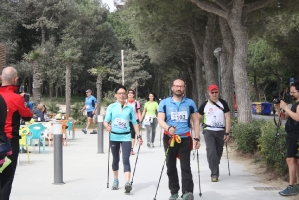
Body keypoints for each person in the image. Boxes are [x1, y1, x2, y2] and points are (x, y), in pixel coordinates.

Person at [157, 79, 200, 200]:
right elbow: (160, 120)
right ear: (172, 88)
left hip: (185, 138)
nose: (178, 88)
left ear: (184, 88)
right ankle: (174, 191)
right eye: (176, 86)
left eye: (181, 86)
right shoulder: (164, 103)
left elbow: (196, 120)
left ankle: (187, 192)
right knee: (171, 166)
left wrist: (197, 137)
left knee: (185, 166)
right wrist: (168, 128)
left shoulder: (190, 103)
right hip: (169, 138)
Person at [0, 66, 33, 199]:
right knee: (6, 179)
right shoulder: (16, 99)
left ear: (1, 78)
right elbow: (28, 116)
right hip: (8, 144)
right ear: (15, 79)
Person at [103, 85, 143, 193]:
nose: (122, 95)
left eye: (123, 93)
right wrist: (107, 126)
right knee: (116, 159)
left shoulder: (130, 108)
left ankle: (127, 183)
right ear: (115, 95)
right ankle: (115, 180)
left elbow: (134, 123)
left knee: (126, 159)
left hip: (126, 136)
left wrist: (139, 136)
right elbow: (105, 121)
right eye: (119, 93)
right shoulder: (111, 107)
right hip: (114, 136)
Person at [198, 84, 230, 182]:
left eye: (216, 92)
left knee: (218, 153)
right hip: (209, 131)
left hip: (220, 131)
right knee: (211, 151)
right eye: (212, 92)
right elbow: (198, 118)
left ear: (218, 92)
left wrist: (227, 133)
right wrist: (196, 133)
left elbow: (228, 117)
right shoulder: (204, 105)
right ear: (209, 93)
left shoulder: (223, 103)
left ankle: (214, 166)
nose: (214, 94)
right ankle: (214, 174)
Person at [275, 81, 299, 196]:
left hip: (296, 135)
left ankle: (291, 186)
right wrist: (278, 107)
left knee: (290, 160)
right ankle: (297, 185)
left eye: (293, 92)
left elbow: (298, 118)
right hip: (291, 135)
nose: (291, 94)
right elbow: (284, 117)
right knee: (294, 160)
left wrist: (286, 107)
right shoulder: (295, 105)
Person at [126, 89, 141, 155]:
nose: (130, 94)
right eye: (129, 93)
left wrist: (140, 121)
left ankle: (131, 149)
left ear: (133, 94)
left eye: (131, 93)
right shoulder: (125, 102)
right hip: (126, 120)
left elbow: (138, 112)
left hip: (134, 120)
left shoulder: (136, 103)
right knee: (126, 134)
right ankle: (125, 148)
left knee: (132, 135)